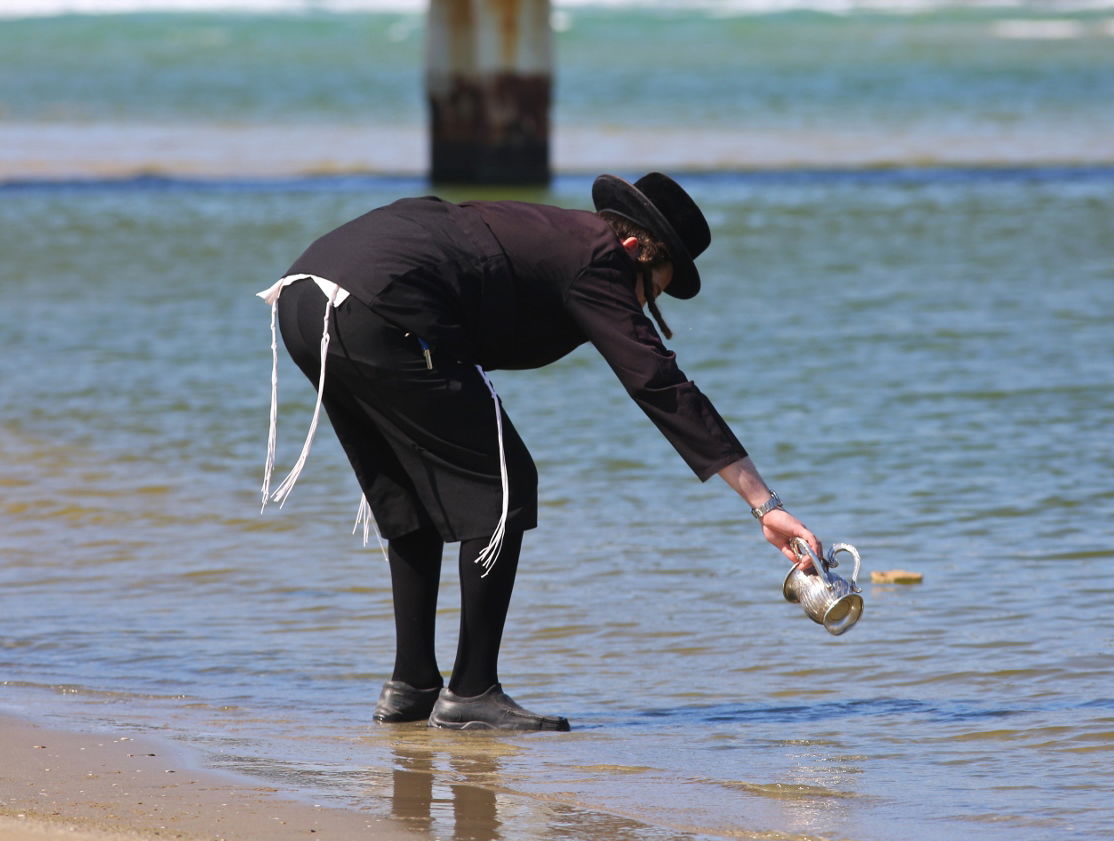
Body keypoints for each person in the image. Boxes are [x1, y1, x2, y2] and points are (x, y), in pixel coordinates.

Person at [257, 172, 821, 732]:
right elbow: (657, 382)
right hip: (380, 306)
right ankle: (472, 690)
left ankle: (413, 685)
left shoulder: (552, 233)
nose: (646, 303)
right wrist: (762, 503)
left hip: (305, 300)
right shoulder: (600, 259)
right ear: (635, 249)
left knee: (413, 492)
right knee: (506, 483)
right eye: (655, 285)